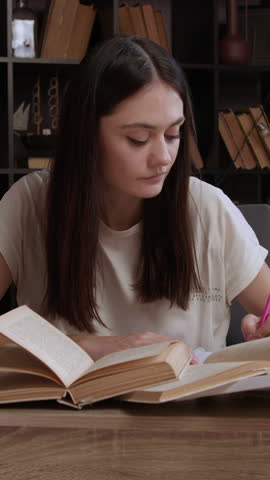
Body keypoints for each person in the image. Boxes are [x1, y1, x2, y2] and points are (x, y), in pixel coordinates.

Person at [0, 35, 269, 362]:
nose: (163, 157)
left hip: (188, 412)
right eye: (138, 139)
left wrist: (263, 330)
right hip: (70, 413)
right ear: (87, 136)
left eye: (173, 134)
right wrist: (96, 348)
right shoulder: (30, 204)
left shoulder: (207, 208)